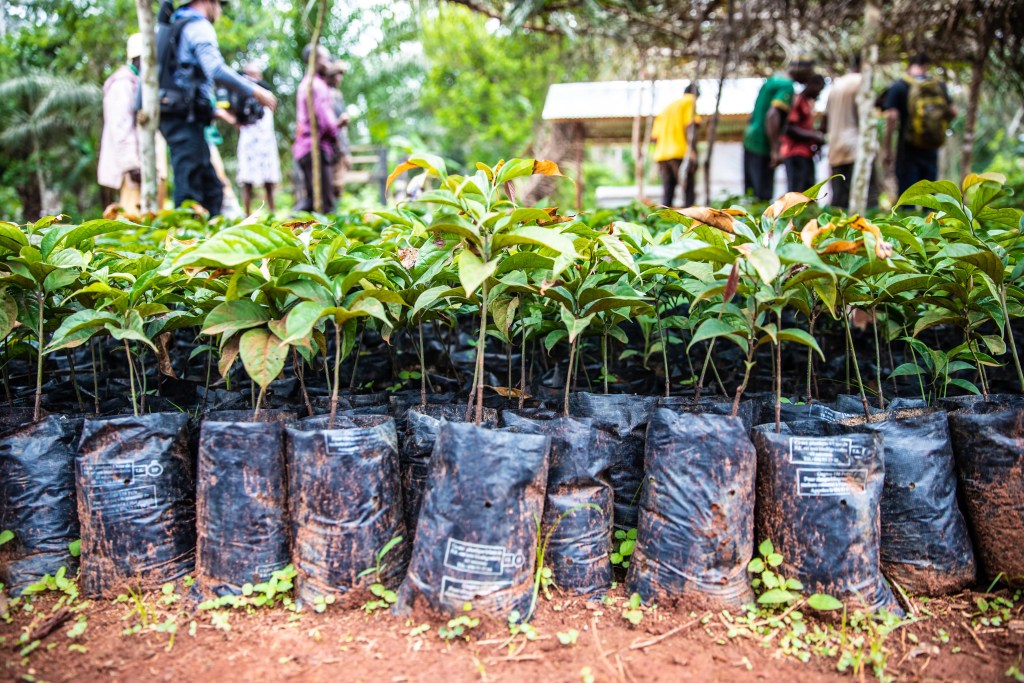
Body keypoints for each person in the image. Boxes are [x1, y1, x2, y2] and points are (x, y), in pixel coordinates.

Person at [156, 0, 276, 216]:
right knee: (190, 185)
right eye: (220, 4)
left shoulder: (179, 24)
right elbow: (215, 69)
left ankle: (206, 230)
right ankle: (183, 232)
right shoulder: (197, 25)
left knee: (211, 188)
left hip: (182, 115)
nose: (220, 10)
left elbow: (185, 80)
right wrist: (255, 90)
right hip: (182, 117)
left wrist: (217, 112)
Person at [99, 34, 168, 213]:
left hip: (151, 166)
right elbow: (120, 127)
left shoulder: (142, 84)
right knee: (133, 218)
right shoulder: (122, 85)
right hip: (135, 169)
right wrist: (131, 165)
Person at [882, 53, 955, 196]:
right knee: (930, 196)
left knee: (907, 196)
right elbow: (953, 112)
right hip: (931, 146)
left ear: (908, 65)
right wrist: (937, 125)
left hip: (907, 149)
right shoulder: (938, 86)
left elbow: (891, 118)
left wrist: (887, 149)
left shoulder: (899, 86)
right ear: (926, 66)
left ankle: (907, 210)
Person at [742, 58, 816, 200]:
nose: (808, 79)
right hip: (763, 144)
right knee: (762, 195)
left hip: (750, 138)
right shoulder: (787, 86)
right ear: (802, 71)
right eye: (809, 74)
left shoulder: (773, 79)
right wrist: (775, 149)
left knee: (751, 194)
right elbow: (772, 115)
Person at [293, 44, 340, 213]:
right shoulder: (316, 85)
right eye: (325, 59)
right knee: (324, 202)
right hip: (315, 148)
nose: (328, 63)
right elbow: (325, 121)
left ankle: (290, 222)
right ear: (315, 60)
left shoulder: (306, 84)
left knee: (314, 198)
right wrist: (336, 129)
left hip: (306, 147)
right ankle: (288, 222)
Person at [235, 62, 281, 214]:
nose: (254, 79)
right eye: (250, 75)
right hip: (248, 139)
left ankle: (272, 213)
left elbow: (273, 106)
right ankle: (247, 214)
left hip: (265, 139)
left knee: (269, 179)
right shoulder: (240, 95)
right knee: (246, 179)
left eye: (256, 75)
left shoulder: (266, 92)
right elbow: (236, 116)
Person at [651, 83, 700, 207]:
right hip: (680, 152)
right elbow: (691, 128)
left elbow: (654, 138)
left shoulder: (667, 108)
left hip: (662, 155)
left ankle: (663, 216)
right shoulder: (689, 101)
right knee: (688, 191)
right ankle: (691, 216)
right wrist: (693, 152)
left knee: (668, 192)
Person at [822, 57, 862, 209]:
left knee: (839, 199)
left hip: (836, 147)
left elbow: (824, 120)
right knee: (860, 198)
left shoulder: (836, 85)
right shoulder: (861, 81)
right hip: (855, 147)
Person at [781, 74, 825, 193]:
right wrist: (813, 135)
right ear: (812, 85)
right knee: (797, 192)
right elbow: (789, 127)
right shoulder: (798, 101)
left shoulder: (808, 103)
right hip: (795, 153)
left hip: (806, 154)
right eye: (819, 89)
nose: (819, 93)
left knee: (809, 190)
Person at [325, 60, 352, 201]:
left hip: (340, 146)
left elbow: (343, 129)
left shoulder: (338, 95)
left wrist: (346, 151)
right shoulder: (324, 93)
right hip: (328, 145)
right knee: (329, 185)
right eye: (337, 74)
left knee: (339, 186)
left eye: (342, 74)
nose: (339, 78)